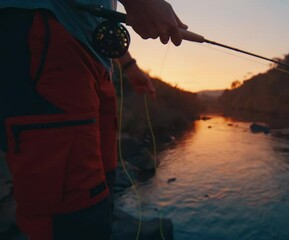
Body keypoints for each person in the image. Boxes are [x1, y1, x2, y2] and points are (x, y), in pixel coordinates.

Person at [0, 0, 187, 239]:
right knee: (71, 217)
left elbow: (103, 14)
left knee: (101, 191)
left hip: (96, 63)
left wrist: (129, 66)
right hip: (47, 34)